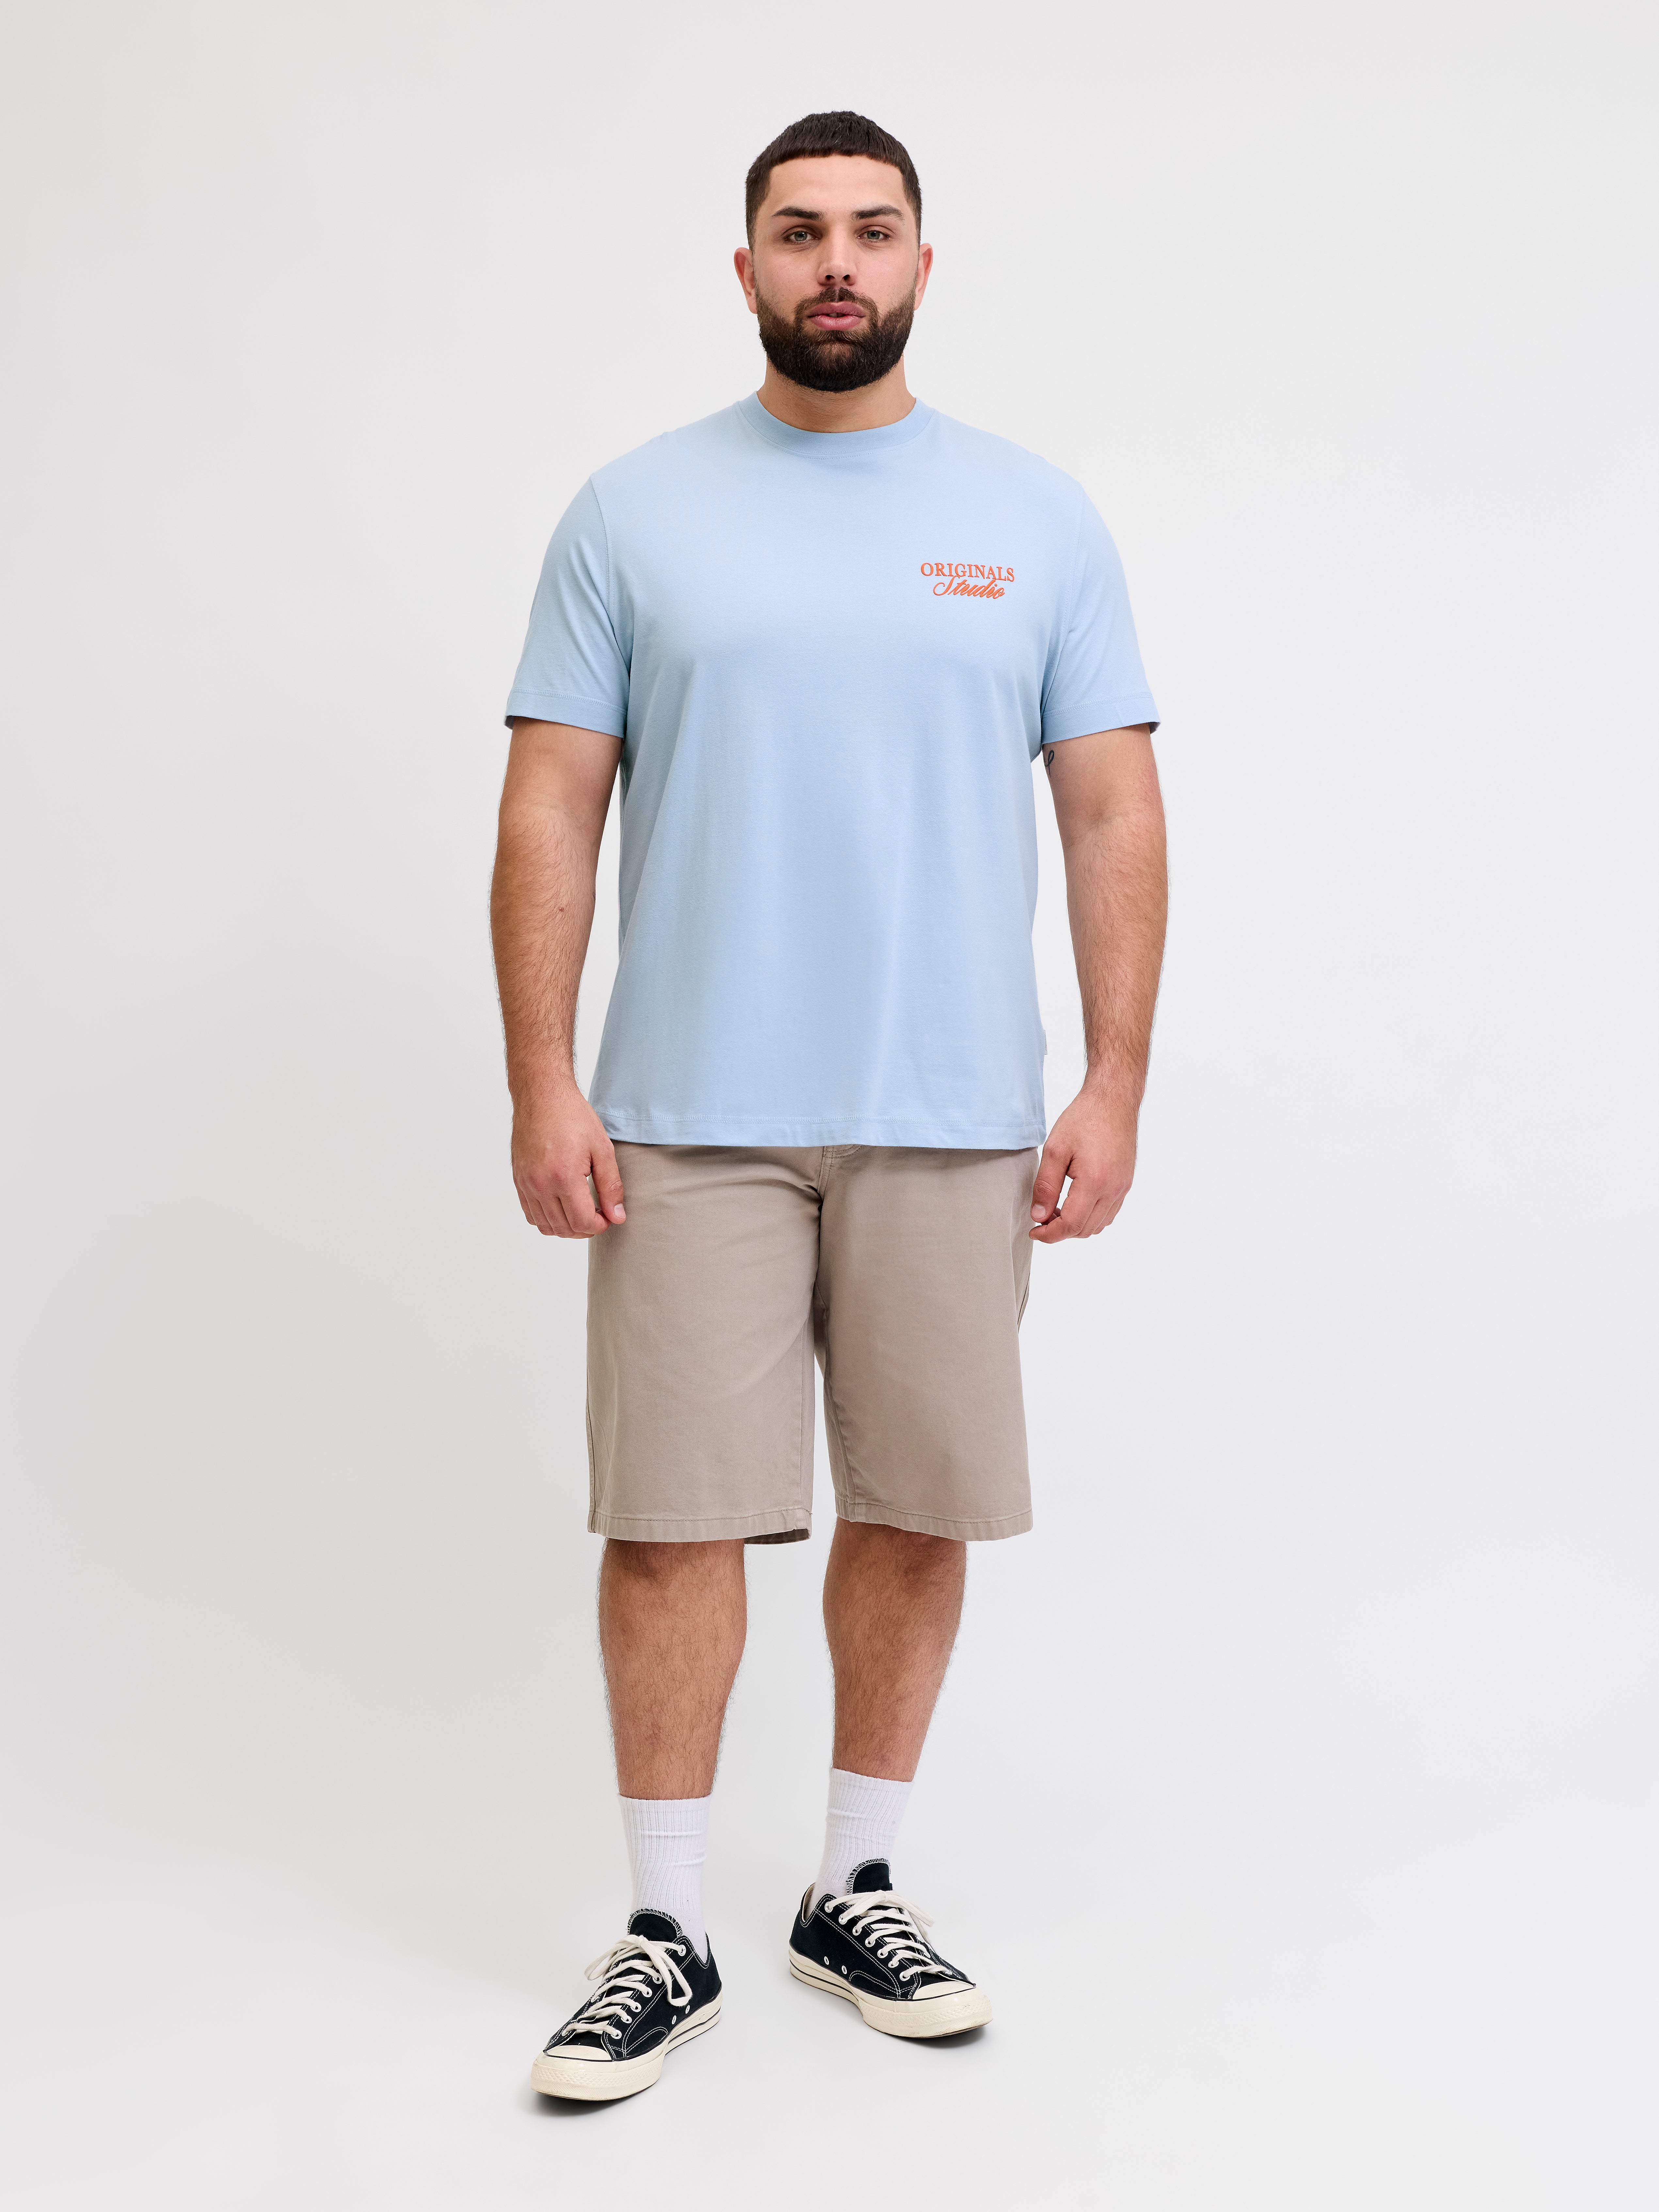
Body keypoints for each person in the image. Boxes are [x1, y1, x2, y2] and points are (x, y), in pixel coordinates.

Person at [491, 109, 1166, 2102]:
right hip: (685, 1111)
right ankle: (665, 1925)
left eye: (874, 230)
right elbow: (550, 806)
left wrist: (1117, 1074)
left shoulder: (1036, 519)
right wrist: (542, 1076)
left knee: (917, 1497)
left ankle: (854, 1882)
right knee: (670, 1521)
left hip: (951, 1107)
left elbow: (1112, 807)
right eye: (801, 232)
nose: (838, 263)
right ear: (749, 269)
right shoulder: (633, 514)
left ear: (925, 267)